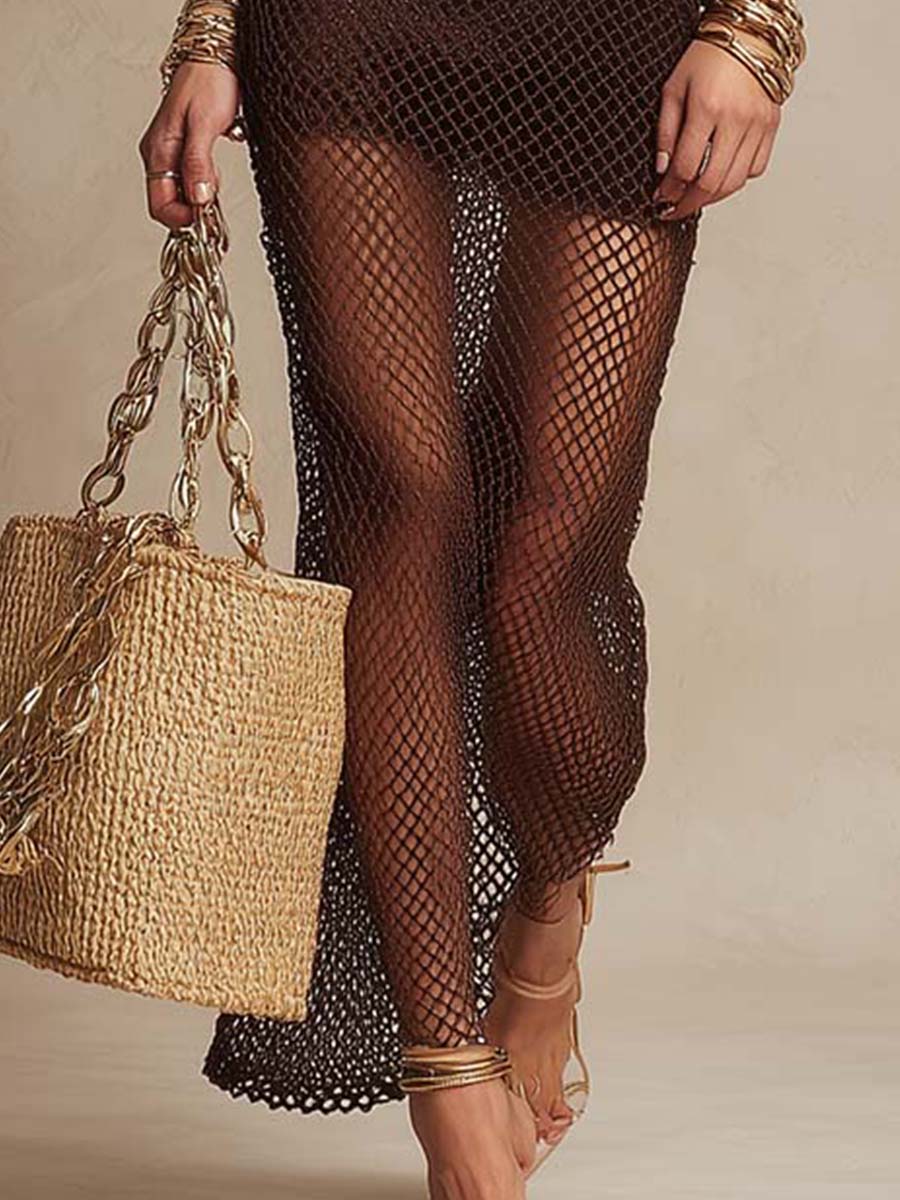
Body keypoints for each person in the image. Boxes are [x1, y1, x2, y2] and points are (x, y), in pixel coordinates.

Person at [139, 2, 805, 1196]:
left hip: (616, 32)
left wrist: (755, 24)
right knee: (394, 507)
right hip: (347, 28)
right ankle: (445, 1065)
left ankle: (545, 913)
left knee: (550, 571)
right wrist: (212, 28)